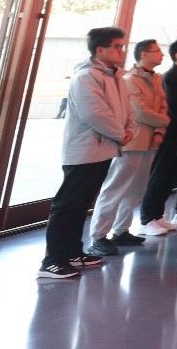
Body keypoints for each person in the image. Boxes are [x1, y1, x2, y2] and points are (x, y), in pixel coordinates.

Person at [37, 27, 134, 279]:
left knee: (82, 204)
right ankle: (52, 261)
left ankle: (72, 252)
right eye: (117, 46)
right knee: (68, 205)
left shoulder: (116, 76)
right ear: (100, 50)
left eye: (122, 46)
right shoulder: (86, 76)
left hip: (105, 148)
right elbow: (94, 113)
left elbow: (127, 109)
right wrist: (120, 133)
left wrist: (129, 130)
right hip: (85, 150)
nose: (121, 51)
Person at [88, 39, 169, 255]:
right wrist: (165, 121)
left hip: (151, 140)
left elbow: (163, 105)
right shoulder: (130, 79)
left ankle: (121, 230)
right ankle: (98, 236)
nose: (161, 54)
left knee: (136, 189)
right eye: (157, 51)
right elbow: (141, 112)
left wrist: (160, 130)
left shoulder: (157, 78)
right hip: (132, 141)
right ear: (144, 54)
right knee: (116, 188)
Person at [140, 37, 177, 235]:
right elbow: (174, 107)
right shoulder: (171, 77)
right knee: (161, 174)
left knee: (173, 175)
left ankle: (158, 215)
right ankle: (148, 217)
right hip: (173, 132)